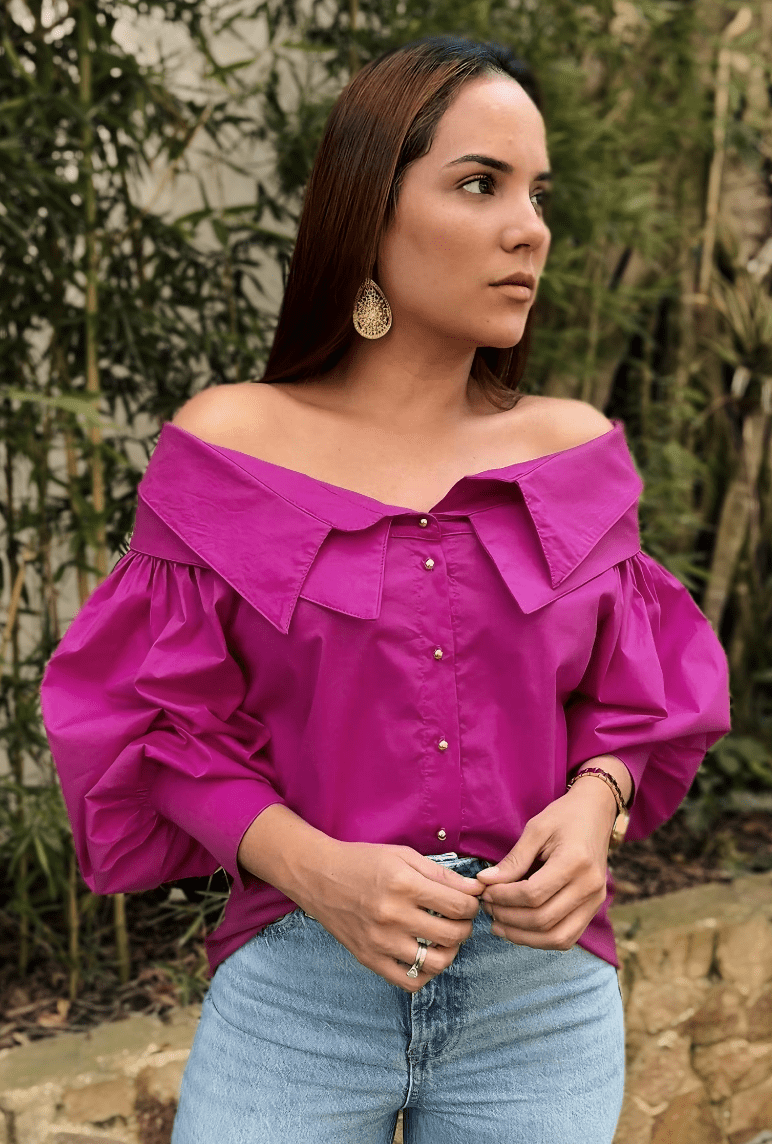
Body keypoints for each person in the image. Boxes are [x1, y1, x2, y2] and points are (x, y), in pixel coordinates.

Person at [40, 35, 731, 1144]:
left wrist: (594, 805)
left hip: (539, 1001)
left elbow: (636, 700)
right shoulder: (230, 446)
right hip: (300, 989)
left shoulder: (573, 453)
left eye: (538, 193)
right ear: (368, 209)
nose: (530, 228)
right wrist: (313, 868)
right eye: (480, 183)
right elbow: (156, 726)